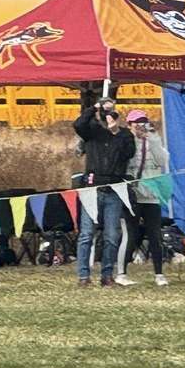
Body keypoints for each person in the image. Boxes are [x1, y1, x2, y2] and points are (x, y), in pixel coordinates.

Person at [73, 97, 135, 287]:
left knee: (111, 235)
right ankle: (83, 276)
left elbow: (129, 153)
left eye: (113, 114)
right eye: (107, 113)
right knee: (86, 234)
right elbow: (79, 124)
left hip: (114, 190)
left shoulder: (124, 135)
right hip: (92, 188)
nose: (110, 117)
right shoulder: (92, 132)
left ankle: (107, 275)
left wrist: (115, 131)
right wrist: (95, 107)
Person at [116, 110, 170, 287]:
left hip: (151, 194)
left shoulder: (153, 140)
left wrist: (153, 139)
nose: (140, 126)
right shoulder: (126, 140)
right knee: (130, 234)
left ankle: (159, 274)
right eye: (136, 123)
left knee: (155, 234)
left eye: (143, 122)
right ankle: (121, 273)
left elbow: (163, 161)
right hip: (132, 194)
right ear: (129, 124)